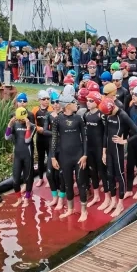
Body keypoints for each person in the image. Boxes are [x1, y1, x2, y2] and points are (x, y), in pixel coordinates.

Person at [98, 97, 137, 217]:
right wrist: (104, 152)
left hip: (118, 150)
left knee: (120, 175)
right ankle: (113, 202)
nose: (108, 115)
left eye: (109, 113)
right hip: (109, 150)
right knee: (110, 176)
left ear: (112, 108)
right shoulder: (108, 114)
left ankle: (120, 204)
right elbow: (106, 133)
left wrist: (125, 141)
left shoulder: (123, 115)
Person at [50, 94, 88, 222]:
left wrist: (85, 155)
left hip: (78, 156)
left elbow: (85, 138)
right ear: (67, 105)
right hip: (65, 157)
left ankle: (84, 211)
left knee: (81, 183)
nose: (77, 104)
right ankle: (70, 209)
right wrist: (53, 158)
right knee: (67, 183)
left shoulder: (79, 118)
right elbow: (54, 139)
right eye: (74, 102)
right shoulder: (57, 120)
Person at [5, 107, 36, 208]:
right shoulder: (15, 124)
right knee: (15, 180)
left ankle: (27, 198)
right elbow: (7, 137)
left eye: (22, 118)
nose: (20, 121)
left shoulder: (32, 126)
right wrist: (9, 125)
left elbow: (27, 140)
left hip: (27, 156)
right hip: (18, 155)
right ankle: (19, 199)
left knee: (28, 178)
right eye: (19, 119)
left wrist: (27, 127)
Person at [84, 91, 108, 207]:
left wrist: (104, 149)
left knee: (102, 172)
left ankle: (108, 198)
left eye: (91, 101)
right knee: (92, 171)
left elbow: (106, 134)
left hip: (99, 147)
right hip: (90, 148)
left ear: (97, 101)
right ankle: (97, 196)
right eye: (87, 100)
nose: (88, 103)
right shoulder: (86, 115)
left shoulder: (101, 115)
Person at [44, 91, 65, 210]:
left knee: (60, 175)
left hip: (62, 148)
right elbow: (44, 131)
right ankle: (55, 197)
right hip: (52, 147)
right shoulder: (49, 115)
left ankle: (61, 198)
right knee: (49, 174)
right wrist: (55, 132)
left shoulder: (64, 115)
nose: (56, 104)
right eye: (53, 102)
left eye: (57, 102)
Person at [32, 90, 53, 187]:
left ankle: (50, 178)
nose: (46, 101)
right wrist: (37, 128)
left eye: (48, 99)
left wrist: (46, 130)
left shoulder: (51, 109)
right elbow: (32, 124)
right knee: (40, 159)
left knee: (50, 158)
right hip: (40, 138)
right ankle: (40, 178)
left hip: (49, 138)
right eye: (44, 99)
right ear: (39, 100)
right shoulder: (35, 110)